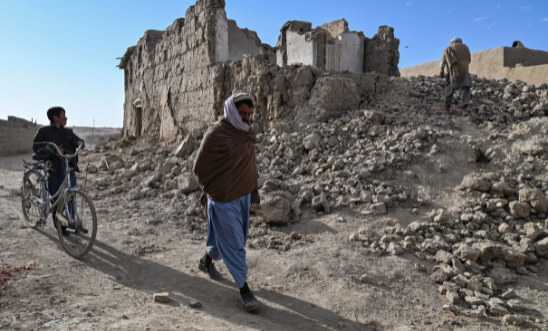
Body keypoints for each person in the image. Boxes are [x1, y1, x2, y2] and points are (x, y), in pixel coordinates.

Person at [193, 92, 262, 311]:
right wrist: (213, 190)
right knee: (235, 244)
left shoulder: (246, 134)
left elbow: (250, 167)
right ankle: (245, 291)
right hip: (222, 199)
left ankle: (205, 261)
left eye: (249, 114)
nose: (246, 118)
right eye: (242, 113)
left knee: (227, 238)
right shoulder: (216, 134)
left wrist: (253, 194)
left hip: (242, 196)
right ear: (232, 110)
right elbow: (199, 168)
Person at [33, 107, 85, 234]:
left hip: (69, 167)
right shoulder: (44, 131)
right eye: (63, 115)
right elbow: (36, 146)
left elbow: (74, 139)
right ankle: (60, 226)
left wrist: (79, 142)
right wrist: (53, 149)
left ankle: (73, 222)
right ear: (55, 117)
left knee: (71, 196)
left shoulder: (67, 131)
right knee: (57, 198)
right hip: (55, 167)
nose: (66, 118)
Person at [440, 37, 472, 115]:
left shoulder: (448, 48)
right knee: (464, 89)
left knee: (449, 88)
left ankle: (447, 107)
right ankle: (464, 109)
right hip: (465, 71)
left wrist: (441, 71)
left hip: (453, 72)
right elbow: (469, 59)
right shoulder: (466, 47)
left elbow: (443, 62)